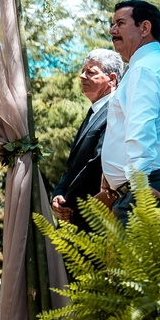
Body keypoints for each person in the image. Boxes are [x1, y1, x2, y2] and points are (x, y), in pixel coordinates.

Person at [97, 0, 160, 222]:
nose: (113, 30)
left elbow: (140, 128)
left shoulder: (143, 69)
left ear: (145, 28)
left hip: (150, 191)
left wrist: (139, 185)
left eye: (120, 23)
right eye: (112, 24)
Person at [51, 49, 122, 230]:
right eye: (83, 71)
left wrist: (69, 202)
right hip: (78, 215)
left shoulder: (115, 111)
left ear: (112, 79)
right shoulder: (93, 112)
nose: (82, 76)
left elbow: (98, 162)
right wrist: (58, 195)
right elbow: (73, 165)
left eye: (91, 72)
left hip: (97, 216)